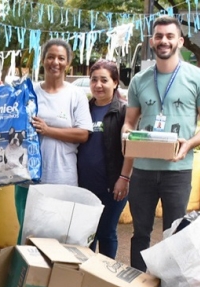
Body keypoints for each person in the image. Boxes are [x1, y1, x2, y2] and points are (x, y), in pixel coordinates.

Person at [123, 15, 200, 271]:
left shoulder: (195, 78)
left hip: (177, 172)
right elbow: (129, 123)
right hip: (143, 171)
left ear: (180, 40)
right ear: (152, 41)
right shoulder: (139, 80)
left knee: (176, 235)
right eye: (158, 36)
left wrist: (188, 144)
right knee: (140, 234)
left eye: (169, 36)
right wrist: (126, 135)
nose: (163, 41)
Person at [15, 38, 93, 239]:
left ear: (68, 63)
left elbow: (83, 133)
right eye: (50, 57)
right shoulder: (28, 91)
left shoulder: (76, 94)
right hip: (28, 178)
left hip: (62, 176)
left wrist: (48, 130)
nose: (55, 62)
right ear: (42, 60)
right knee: (28, 233)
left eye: (61, 58)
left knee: (60, 234)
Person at [77, 59, 131, 259]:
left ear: (115, 82)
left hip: (112, 185)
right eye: (94, 80)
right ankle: (88, 275)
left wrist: (124, 178)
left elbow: (130, 149)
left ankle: (107, 278)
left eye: (104, 80)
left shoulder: (123, 111)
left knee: (106, 232)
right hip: (84, 184)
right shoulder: (84, 108)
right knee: (86, 234)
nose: (98, 85)